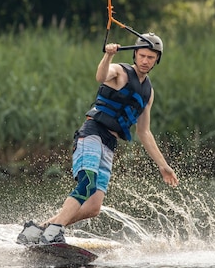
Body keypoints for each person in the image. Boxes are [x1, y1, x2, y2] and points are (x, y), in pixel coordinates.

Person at [17, 32, 179, 245]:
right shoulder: (120, 72)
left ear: (157, 59)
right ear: (135, 55)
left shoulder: (148, 92)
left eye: (151, 57)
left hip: (109, 144)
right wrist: (108, 56)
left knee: (93, 207)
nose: (145, 60)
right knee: (87, 182)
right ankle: (54, 232)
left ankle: (38, 231)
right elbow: (101, 76)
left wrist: (163, 166)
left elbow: (144, 132)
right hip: (92, 133)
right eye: (142, 55)